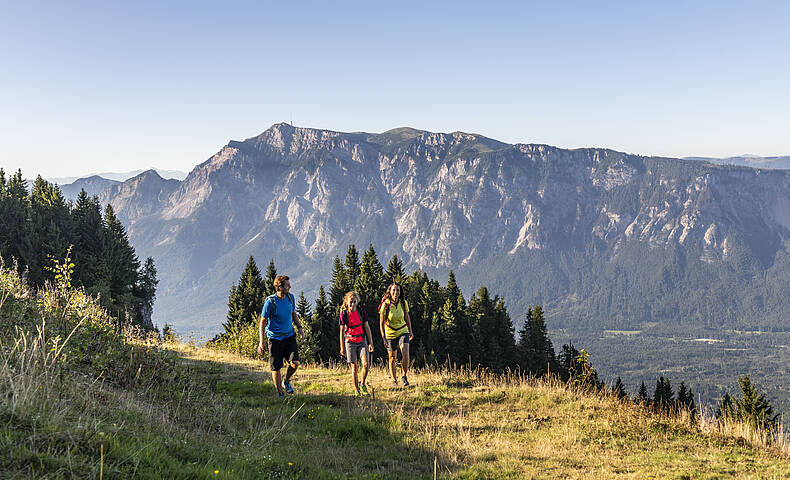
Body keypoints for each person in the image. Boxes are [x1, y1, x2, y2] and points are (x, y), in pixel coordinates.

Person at [257, 275, 304, 398]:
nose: (290, 286)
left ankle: (286, 381)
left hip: (289, 336)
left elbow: (293, 313)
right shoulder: (270, 302)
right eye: (287, 285)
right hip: (275, 339)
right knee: (276, 368)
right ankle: (280, 392)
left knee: (295, 362)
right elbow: (262, 322)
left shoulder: (290, 298)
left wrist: (300, 328)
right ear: (280, 287)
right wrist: (261, 342)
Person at [339, 291, 375, 396]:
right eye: (351, 302)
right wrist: (342, 347)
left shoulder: (361, 311)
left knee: (366, 364)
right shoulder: (344, 314)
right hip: (350, 342)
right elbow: (341, 331)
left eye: (354, 302)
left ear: (357, 302)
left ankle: (362, 384)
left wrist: (370, 342)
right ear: (346, 302)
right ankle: (356, 390)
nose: (352, 304)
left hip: (361, 340)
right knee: (354, 367)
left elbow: (367, 327)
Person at [379, 282, 414, 386]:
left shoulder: (403, 303)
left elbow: (407, 317)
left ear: (400, 292)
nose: (395, 292)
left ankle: (404, 376)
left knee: (405, 352)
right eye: (393, 290)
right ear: (390, 291)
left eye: (398, 290)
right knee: (392, 357)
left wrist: (410, 331)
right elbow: (381, 322)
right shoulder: (386, 304)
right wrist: (384, 337)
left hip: (403, 330)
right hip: (390, 333)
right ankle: (394, 380)